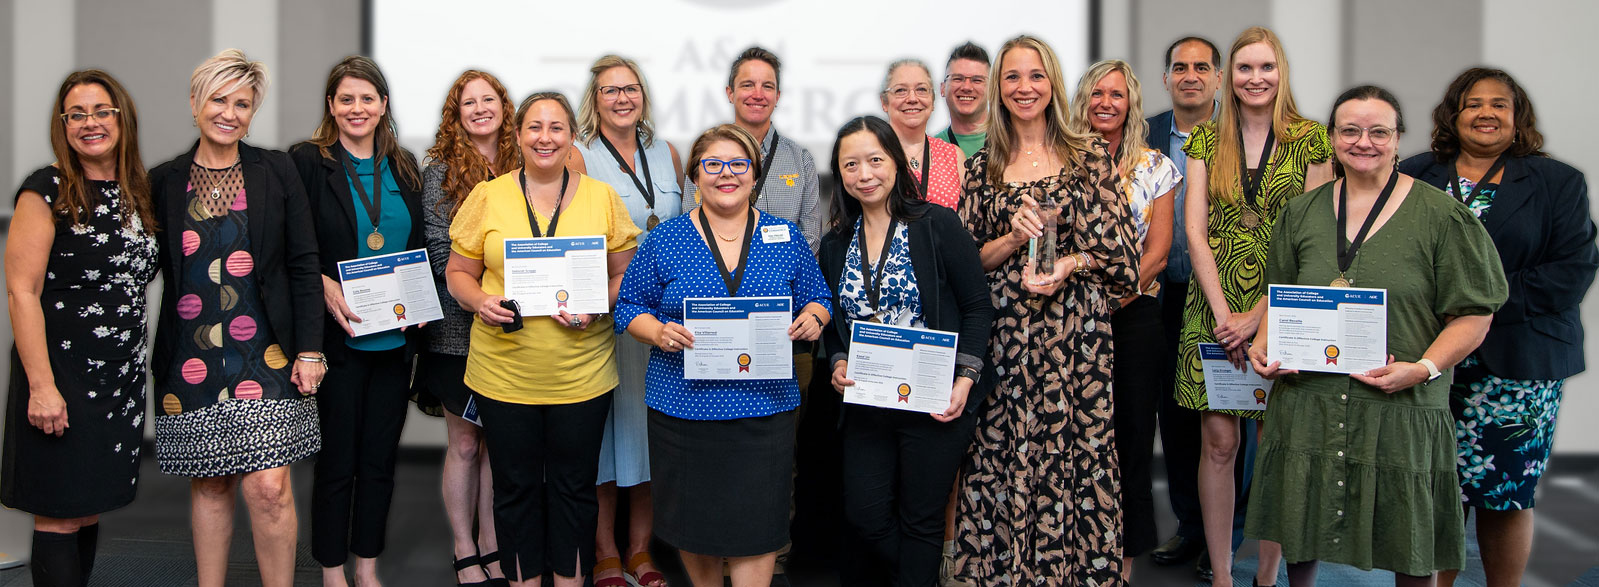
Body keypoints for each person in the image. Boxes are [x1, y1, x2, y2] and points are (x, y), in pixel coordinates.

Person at [1247, 85, 1509, 587]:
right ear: (1332, 139)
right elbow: (1274, 301)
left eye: (1379, 131)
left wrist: (1424, 368)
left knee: (1408, 542)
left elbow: (1476, 314)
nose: (1363, 141)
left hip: (1402, 405)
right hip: (1310, 403)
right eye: (1350, 130)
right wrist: (1264, 348)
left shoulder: (1442, 216)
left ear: (1397, 139)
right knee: (1299, 530)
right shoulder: (1301, 213)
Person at [951, 35, 1139, 585]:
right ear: (997, 88)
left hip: (1074, 341)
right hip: (1004, 340)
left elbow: (1122, 259)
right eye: (1012, 77)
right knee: (999, 454)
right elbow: (970, 264)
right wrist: (1011, 238)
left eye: (1035, 75)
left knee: (1076, 455)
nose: (1024, 87)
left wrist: (1071, 262)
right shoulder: (983, 164)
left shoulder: (1089, 155)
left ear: (1052, 82)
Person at [1399, 68, 1598, 587]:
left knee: (1504, 493)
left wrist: (1475, 311)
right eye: (1473, 103)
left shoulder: (1559, 182)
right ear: (1453, 114)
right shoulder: (1415, 175)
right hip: (1427, 358)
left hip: (1518, 364)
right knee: (1433, 490)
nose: (1486, 112)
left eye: (1500, 104)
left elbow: (1571, 272)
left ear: (1518, 118)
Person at [616, 124, 831, 587]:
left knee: (758, 526)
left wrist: (814, 317)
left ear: (754, 176)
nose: (725, 174)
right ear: (695, 176)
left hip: (765, 408)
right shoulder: (665, 239)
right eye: (712, 164)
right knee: (695, 521)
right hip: (684, 409)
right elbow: (629, 304)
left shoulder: (785, 236)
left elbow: (819, 297)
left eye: (738, 164)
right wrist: (655, 330)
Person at [446, 92, 639, 587]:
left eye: (556, 127)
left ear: (571, 136)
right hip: (504, 375)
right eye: (534, 127)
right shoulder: (488, 197)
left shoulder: (602, 198)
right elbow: (458, 272)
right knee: (514, 490)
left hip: (583, 377)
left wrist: (599, 303)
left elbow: (626, 274)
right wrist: (477, 302)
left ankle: (572, 581)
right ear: (517, 137)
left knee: (575, 490)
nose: (545, 137)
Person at [148, 49, 325, 587]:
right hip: (191, 358)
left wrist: (311, 349)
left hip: (268, 353)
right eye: (219, 99)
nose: (229, 112)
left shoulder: (277, 171)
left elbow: (303, 262)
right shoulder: (162, 181)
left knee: (269, 489)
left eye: (242, 103)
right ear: (196, 103)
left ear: (253, 111)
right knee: (211, 485)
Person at [1173, 26, 1333, 587]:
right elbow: (1193, 231)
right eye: (1244, 68)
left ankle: (1266, 576)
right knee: (1219, 444)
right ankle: (1222, 575)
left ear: (1280, 71)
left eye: (1266, 67)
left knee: (1276, 449)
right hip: (1213, 309)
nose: (1255, 78)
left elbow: (1318, 240)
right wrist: (1224, 315)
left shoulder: (1313, 141)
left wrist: (1257, 316)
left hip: (1283, 309)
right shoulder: (1202, 141)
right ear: (1229, 77)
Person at [819, 116, 993, 587]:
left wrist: (966, 379)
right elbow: (835, 326)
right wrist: (836, 360)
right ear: (840, 173)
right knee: (866, 514)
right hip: (868, 403)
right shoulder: (835, 244)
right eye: (850, 164)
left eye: (875, 159)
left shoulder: (937, 224)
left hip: (933, 401)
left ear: (896, 162)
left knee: (922, 521)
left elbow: (978, 307)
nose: (864, 174)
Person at [1, 70, 158, 587]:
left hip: (119, 379)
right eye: (77, 114)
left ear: (121, 119)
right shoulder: (46, 190)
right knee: (60, 510)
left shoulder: (137, 191)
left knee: (89, 508)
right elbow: (21, 291)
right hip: (60, 373)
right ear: (62, 124)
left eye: (101, 111)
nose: (90, 123)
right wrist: (42, 387)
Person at [288, 55, 425, 587]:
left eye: (367, 98)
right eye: (346, 98)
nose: (356, 108)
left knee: (380, 460)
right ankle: (331, 569)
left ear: (383, 105)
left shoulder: (405, 165)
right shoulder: (306, 161)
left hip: (394, 339)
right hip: (337, 339)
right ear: (331, 105)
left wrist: (419, 303)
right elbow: (289, 243)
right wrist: (321, 283)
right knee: (336, 462)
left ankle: (367, 565)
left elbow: (415, 249)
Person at [570, 54, 681, 587]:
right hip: (604, 316)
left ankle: (642, 550)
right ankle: (605, 550)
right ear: (595, 100)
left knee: (647, 431)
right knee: (607, 433)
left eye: (631, 89)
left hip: (661, 320)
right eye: (610, 90)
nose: (622, 98)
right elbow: (566, 240)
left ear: (643, 96)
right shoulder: (577, 155)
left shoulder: (669, 154)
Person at [1068, 59, 1180, 580]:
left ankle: (1124, 564)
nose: (1106, 103)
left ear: (1131, 102)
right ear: (1082, 101)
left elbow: (1157, 254)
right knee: (1070, 441)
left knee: (1131, 441)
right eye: (1096, 94)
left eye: (1117, 94)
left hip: (1133, 320)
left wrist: (1111, 303)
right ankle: (1067, 555)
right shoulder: (1059, 162)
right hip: (1066, 321)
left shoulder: (1156, 165)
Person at [1143, 35, 1247, 582]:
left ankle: (1227, 535)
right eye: (1178, 67)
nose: (1189, 75)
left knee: (1233, 414)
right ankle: (1191, 524)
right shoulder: (1145, 133)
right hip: (1162, 291)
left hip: (1226, 298)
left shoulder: (1240, 132)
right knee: (1176, 413)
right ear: (1166, 79)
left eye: (1201, 67)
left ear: (1218, 76)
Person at [421, 69, 519, 587]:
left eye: (488, 99)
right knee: (464, 444)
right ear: (455, 114)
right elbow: (442, 256)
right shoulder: (439, 170)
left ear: (504, 106)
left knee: (497, 444)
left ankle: (492, 543)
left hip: (517, 330)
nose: (480, 108)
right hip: (457, 331)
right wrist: (480, 296)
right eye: (468, 103)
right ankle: (464, 547)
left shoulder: (527, 161)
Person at [681, 47, 821, 253]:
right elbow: (691, 228)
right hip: (718, 277)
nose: (758, 95)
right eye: (748, 85)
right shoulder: (705, 155)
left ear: (777, 96)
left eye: (767, 86)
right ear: (730, 93)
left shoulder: (801, 160)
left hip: (780, 278)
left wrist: (766, 269)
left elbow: (811, 236)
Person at [881, 60, 965, 209]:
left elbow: (970, 222)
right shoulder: (871, 153)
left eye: (921, 89)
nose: (912, 98)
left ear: (932, 101)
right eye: (900, 90)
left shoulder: (953, 156)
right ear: (884, 102)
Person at [935, 42, 990, 160]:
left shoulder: (1011, 141)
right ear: (942, 88)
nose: (967, 87)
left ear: (992, 89)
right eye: (958, 79)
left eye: (977, 80)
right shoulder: (931, 150)